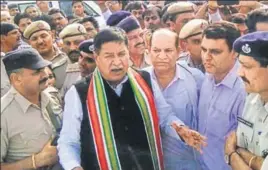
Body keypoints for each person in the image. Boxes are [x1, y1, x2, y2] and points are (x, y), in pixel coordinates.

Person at [58, 27, 206, 170]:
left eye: (121, 54)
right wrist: (74, 166)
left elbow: (165, 116)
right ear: (97, 58)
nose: (117, 62)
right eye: (109, 56)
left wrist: (181, 130)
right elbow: (68, 142)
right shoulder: (78, 92)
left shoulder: (145, 80)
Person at [144, 28, 205, 170]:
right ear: (149, 51)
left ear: (178, 51)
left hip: (187, 161)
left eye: (168, 50)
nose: (162, 56)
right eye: (156, 50)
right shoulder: (139, 80)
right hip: (150, 162)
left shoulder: (195, 78)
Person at [1, 48, 62, 170]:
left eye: (43, 69)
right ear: (16, 79)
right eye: (36, 72)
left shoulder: (51, 97)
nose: (45, 75)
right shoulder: (3, 114)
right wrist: (35, 161)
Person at [198, 22, 247, 170]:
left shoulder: (244, 91)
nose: (207, 57)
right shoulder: (207, 76)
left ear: (234, 53)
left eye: (215, 51)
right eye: (204, 49)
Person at [224, 31, 268, 170]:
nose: (239, 73)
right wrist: (257, 162)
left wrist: (231, 155)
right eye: (240, 65)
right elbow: (238, 144)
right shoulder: (251, 100)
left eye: (247, 66)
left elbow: (232, 149)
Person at [23, 20, 68, 90]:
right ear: (29, 43)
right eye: (34, 39)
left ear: (52, 36)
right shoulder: (28, 66)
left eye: (43, 36)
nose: (40, 41)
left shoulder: (67, 55)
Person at [59, 23, 87, 96]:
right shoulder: (56, 69)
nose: (72, 48)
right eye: (68, 43)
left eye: (77, 43)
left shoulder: (97, 64)